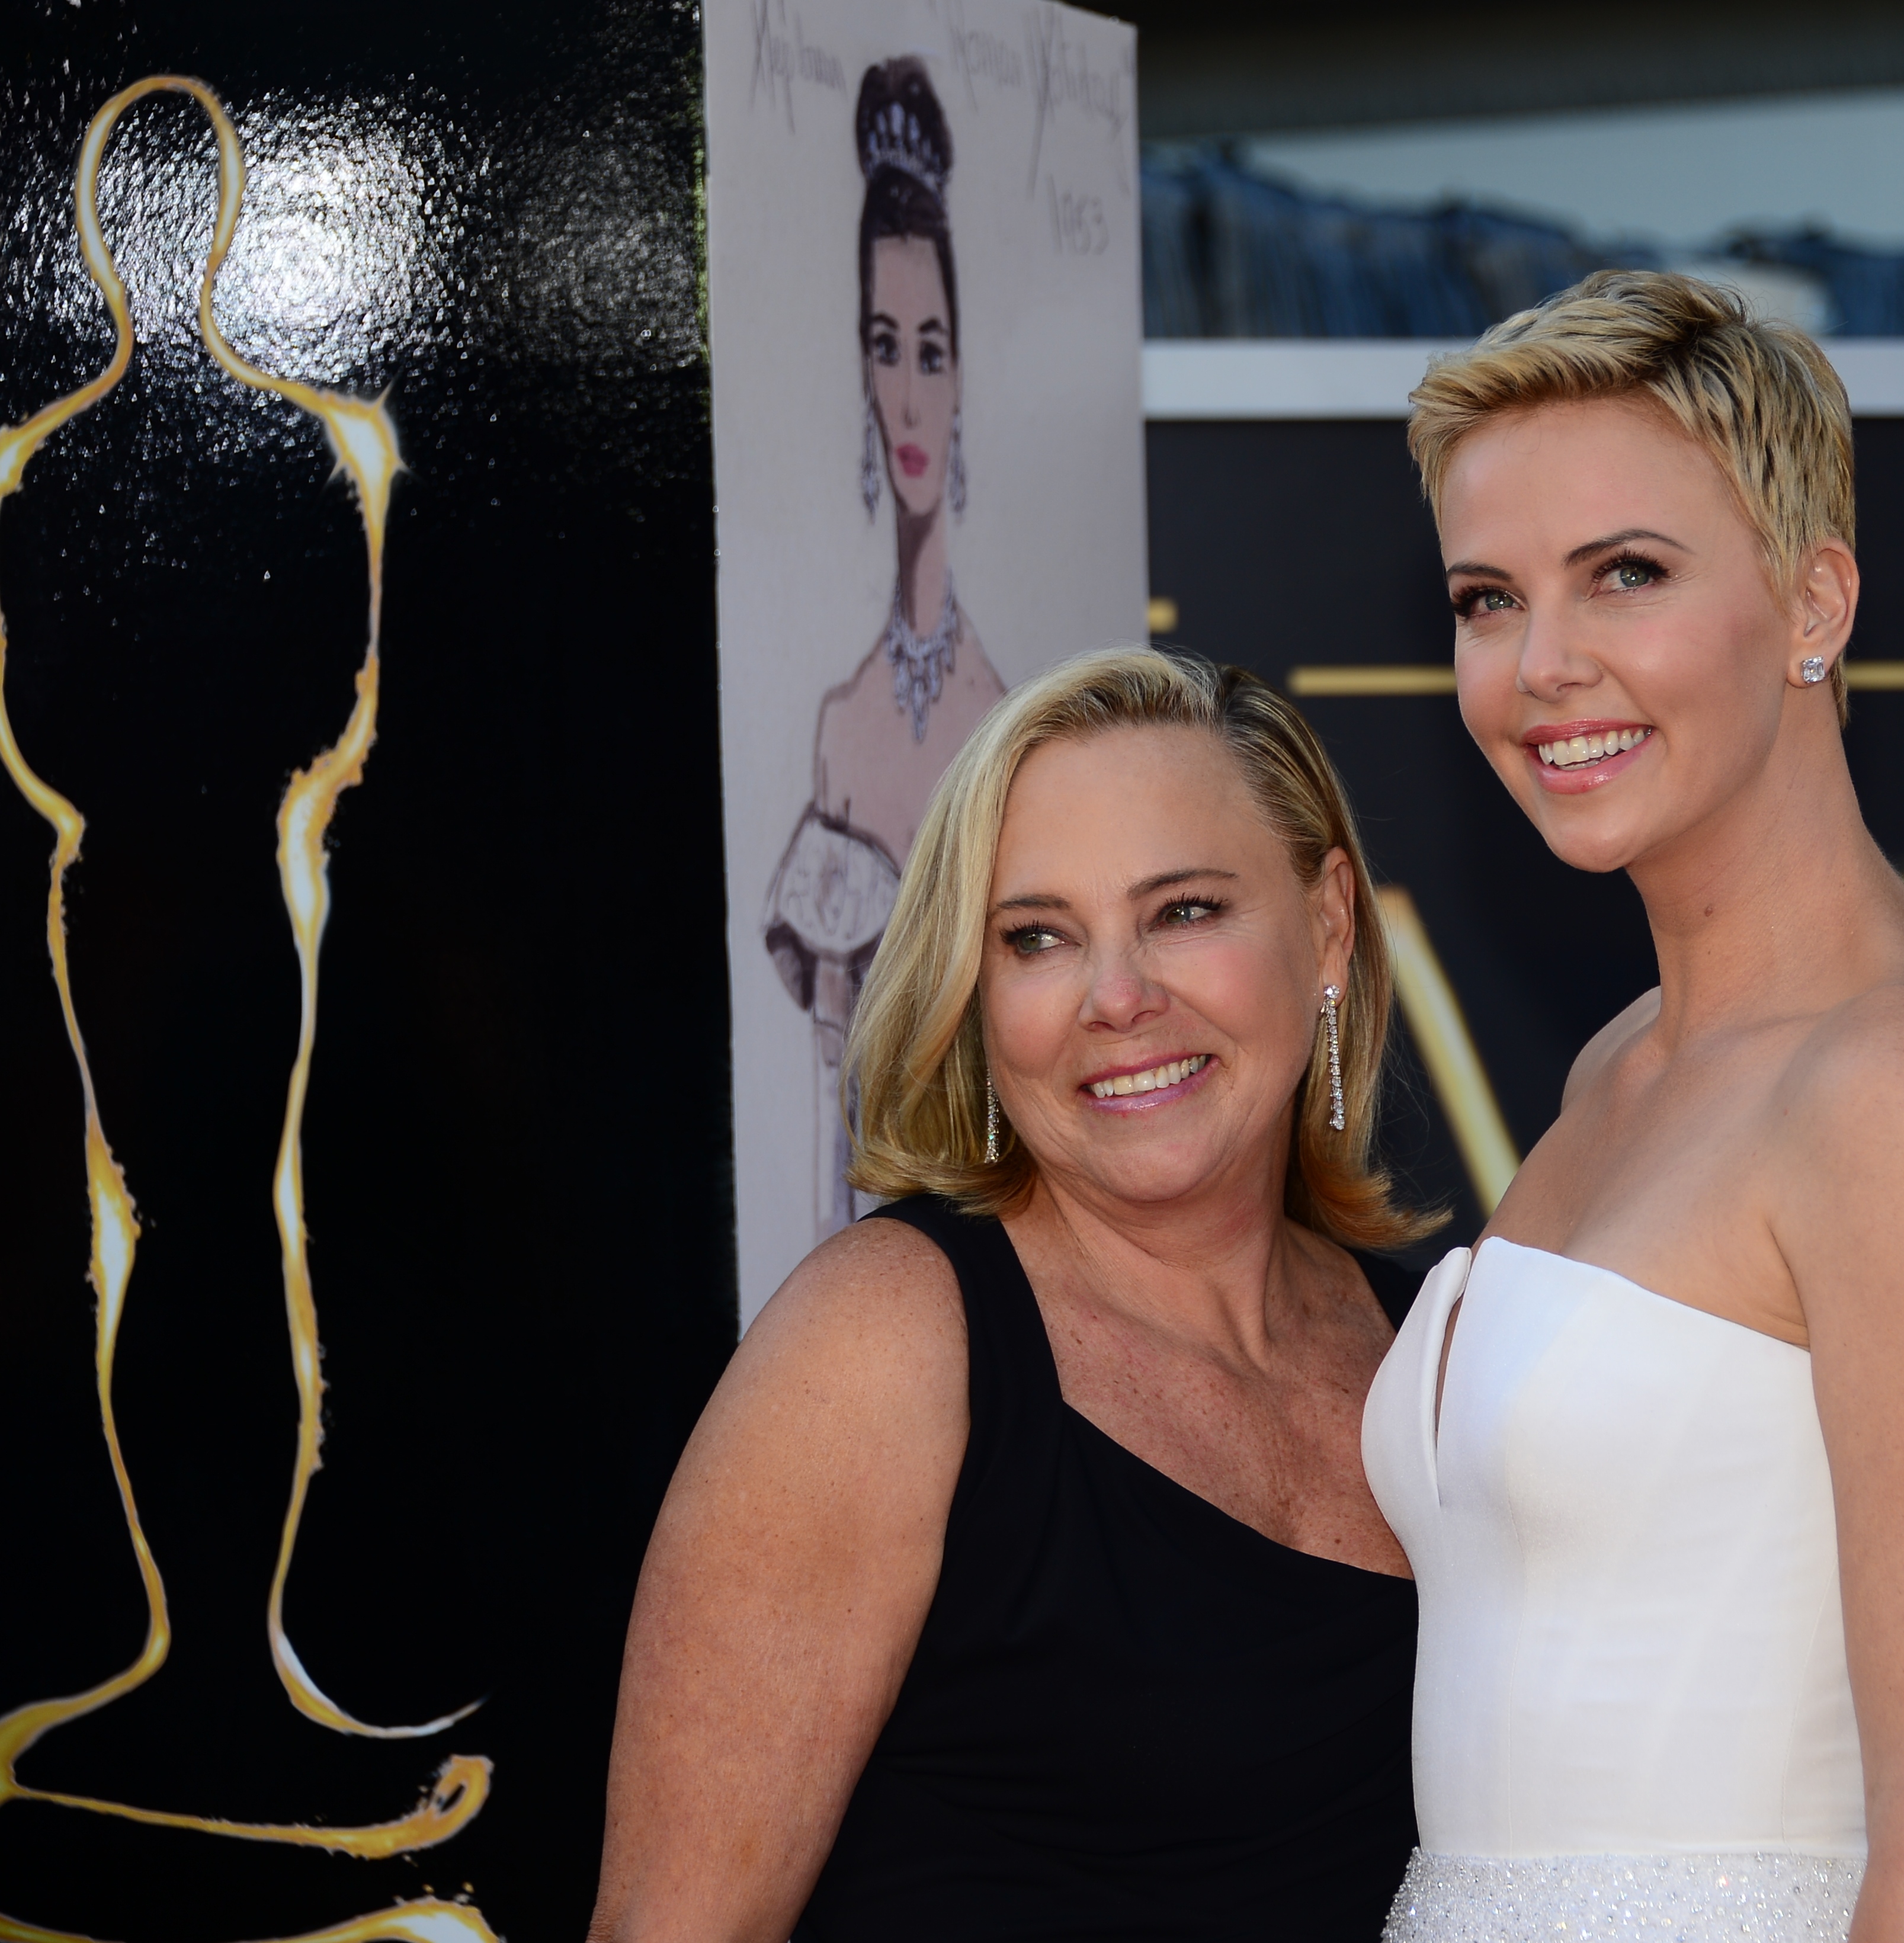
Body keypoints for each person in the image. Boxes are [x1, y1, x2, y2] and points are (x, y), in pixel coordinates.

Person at [1366, 271, 1904, 1943]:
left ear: (1813, 600)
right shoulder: (1616, 1072)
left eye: (1625, 574)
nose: (1543, 666)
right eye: (1488, 599)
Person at [594, 649, 1445, 1941]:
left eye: (1185, 911)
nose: (1117, 998)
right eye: (1038, 937)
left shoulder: (1441, 1349)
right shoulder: (885, 1345)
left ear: (1327, 924)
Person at [764, 54, 1012, 1241]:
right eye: (882, 343)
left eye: (930, 347)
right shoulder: (840, 724)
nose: (907, 396)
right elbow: (828, 1116)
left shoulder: (1012, 717)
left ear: (960, 370)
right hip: (876, 1291)